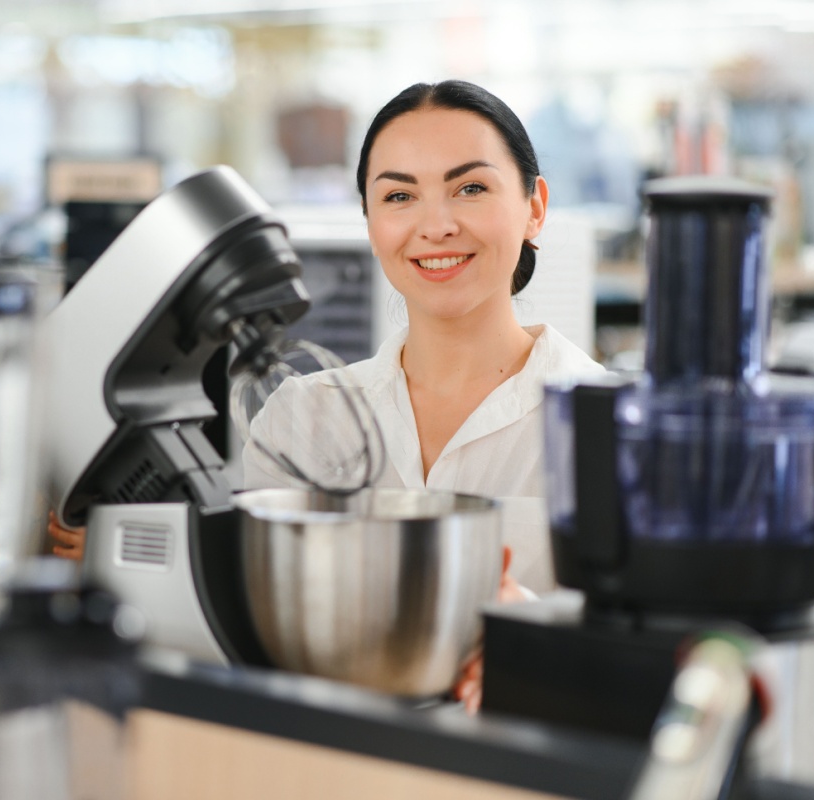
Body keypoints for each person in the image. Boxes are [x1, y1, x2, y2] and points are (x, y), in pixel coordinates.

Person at [243, 79, 605, 595]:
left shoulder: (609, 429)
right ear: (371, 225)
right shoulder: (299, 422)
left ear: (535, 208)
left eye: (471, 188)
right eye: (399, 195)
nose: (436, 226)